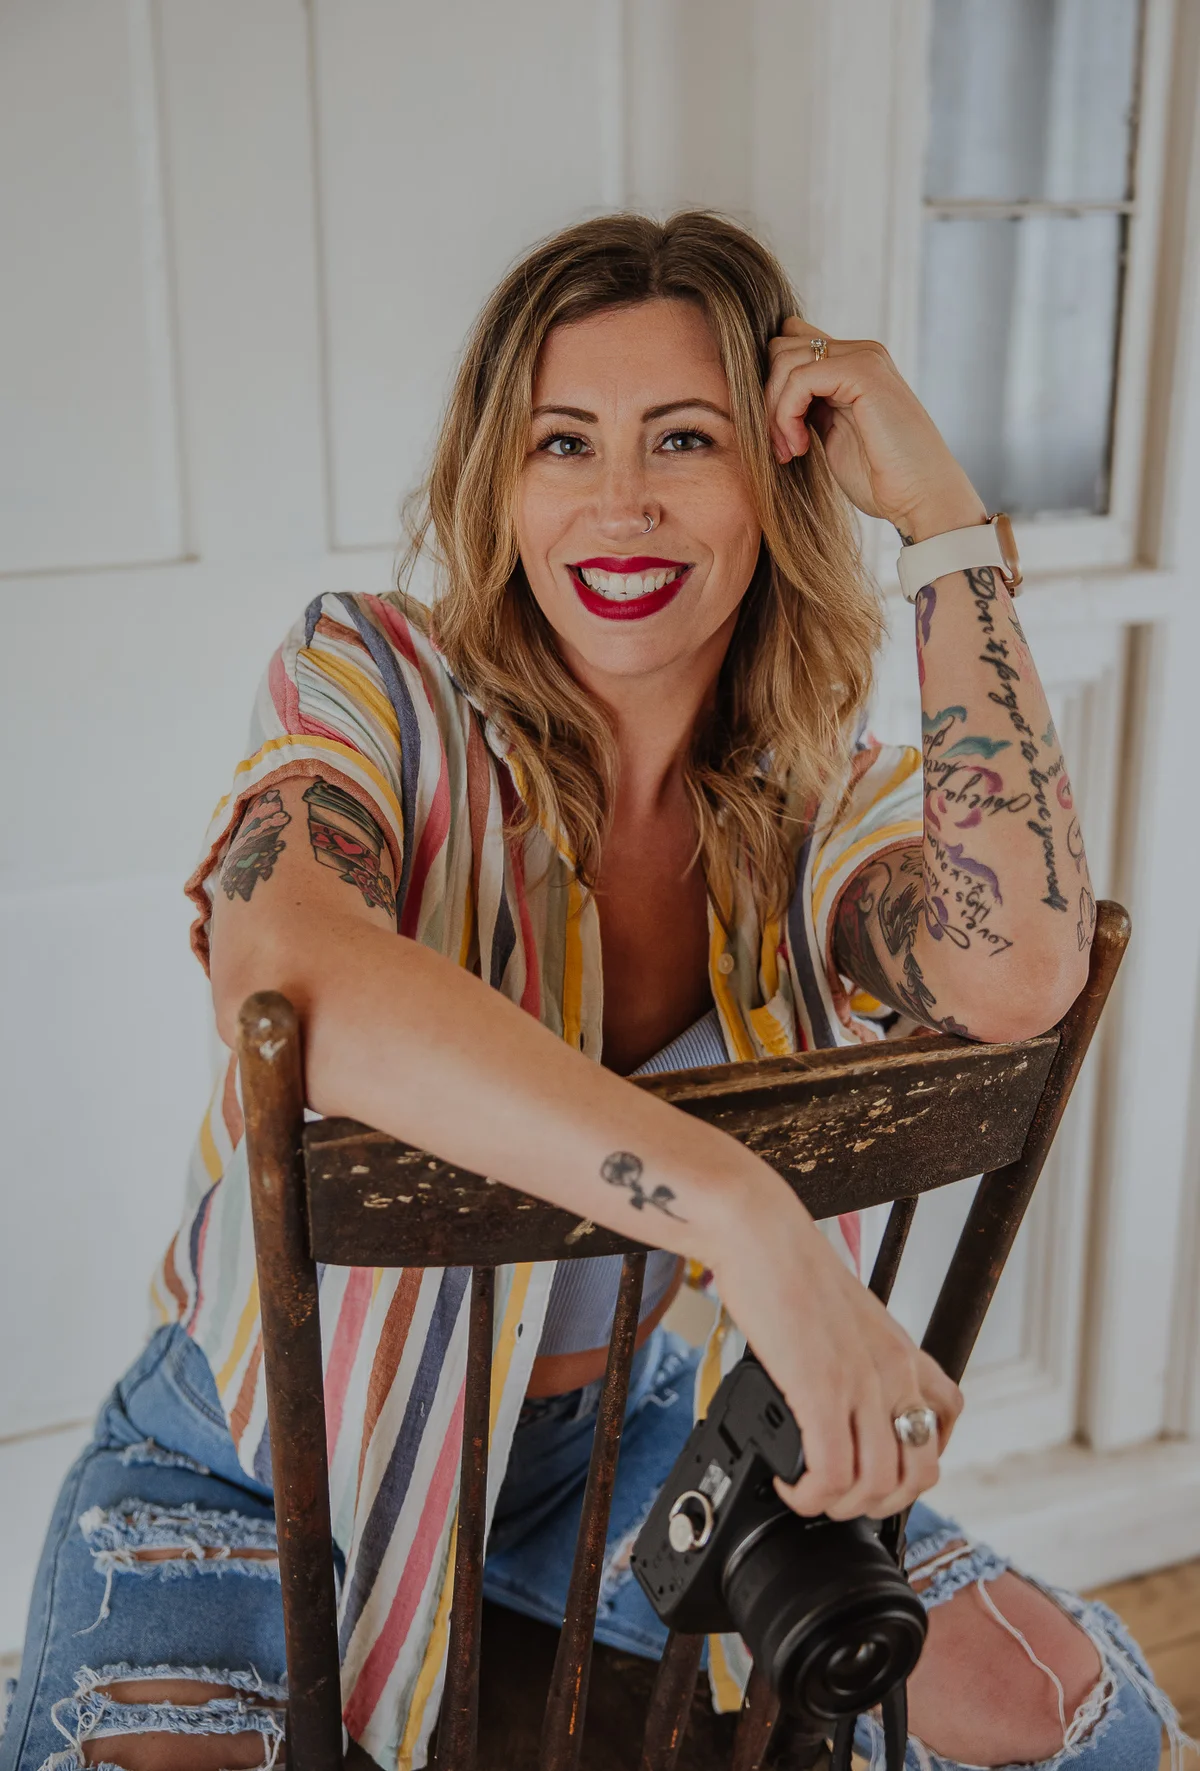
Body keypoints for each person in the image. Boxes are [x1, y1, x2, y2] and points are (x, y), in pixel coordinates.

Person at [2, 213, 1184, 1771]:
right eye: (565, 441)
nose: (620, 502)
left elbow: (1022, 967)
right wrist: (743, 1214)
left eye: (684, 439)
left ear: (774, 484)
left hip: (604, 1453)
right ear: (503, 483)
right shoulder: (373, 684)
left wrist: (946, 519)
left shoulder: (818, 804)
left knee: (1089, 1721)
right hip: (252, 1456)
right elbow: (285, 971)